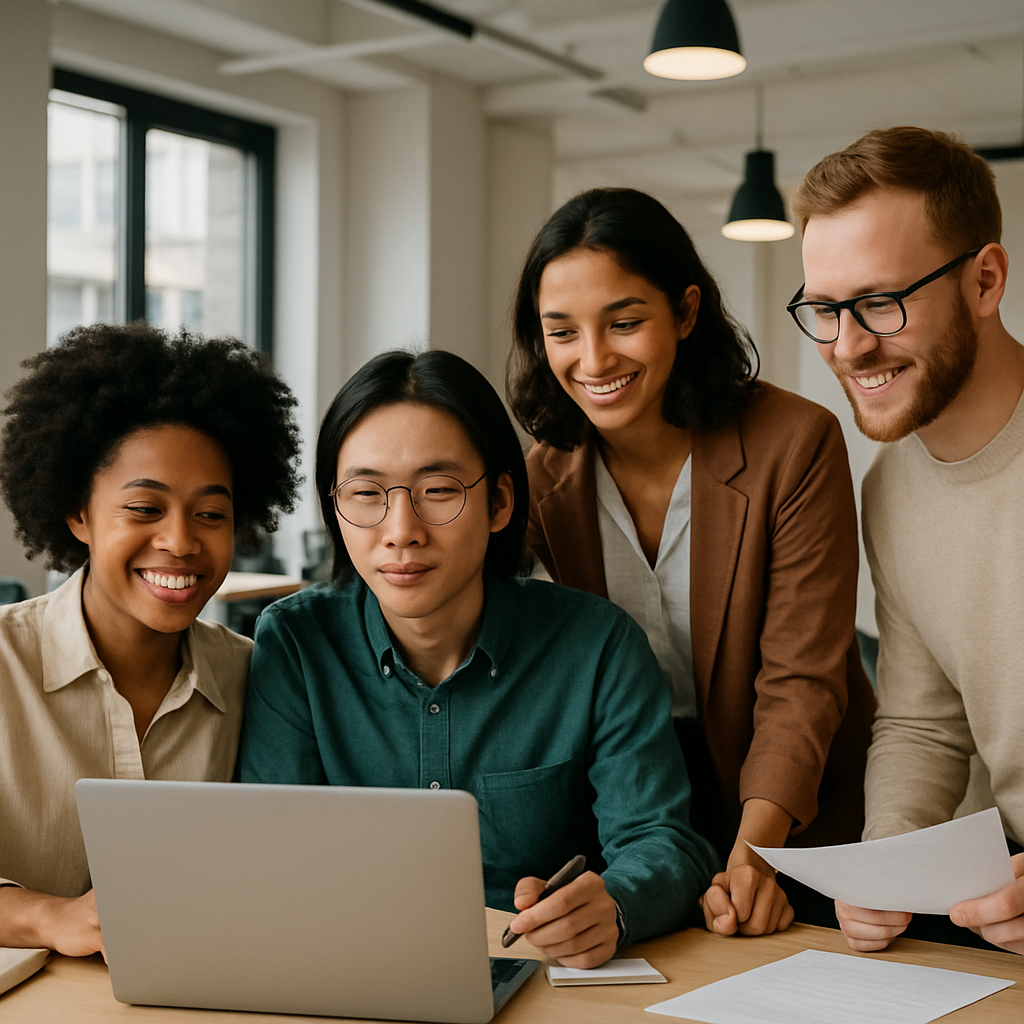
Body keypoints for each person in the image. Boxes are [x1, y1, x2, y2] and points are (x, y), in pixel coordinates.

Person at [236, 348, 717, 968]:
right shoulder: (298, 645)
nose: (401, 528)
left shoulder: (597, 647)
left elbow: (663, 840)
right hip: (350, 973)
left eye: (438, 491)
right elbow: (273, 853)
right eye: (365, 494)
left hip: (540, 981)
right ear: (334, 508)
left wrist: (613, 904)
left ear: (499, 503)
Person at [506, 187, 876, 937]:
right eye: (562, 332)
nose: (594, 358)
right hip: (642, 802)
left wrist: (754, 859)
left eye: (625, 322)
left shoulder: (795, 442)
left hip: (797, 801)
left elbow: (801, 680)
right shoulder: (541, 481)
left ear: (684, 312)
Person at [790, 126, 1024, 956]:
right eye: (826, 309)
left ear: (985, 279)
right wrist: (888, 857)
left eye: (882, 302)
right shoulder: (889, 490)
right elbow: (924, 725)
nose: (849, 346)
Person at [0, 321, 301, 958]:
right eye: (144, 508)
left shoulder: (261, 681)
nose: (182, 541)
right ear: (77, 512)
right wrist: (47, 918)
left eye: (211, 514)